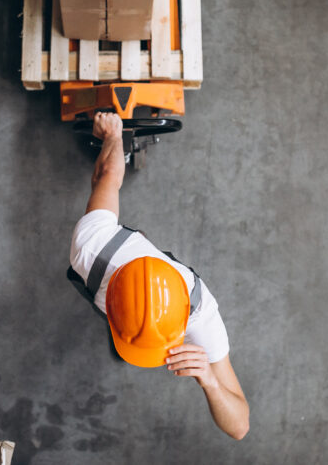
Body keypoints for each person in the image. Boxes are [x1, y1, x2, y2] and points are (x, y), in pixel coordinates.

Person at [67, 112, 250, 440]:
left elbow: (239, 426)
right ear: (108, 302)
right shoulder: (91, 247)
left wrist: (209, 379)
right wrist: (114, 135)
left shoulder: (201, 317)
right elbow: (107, 173)